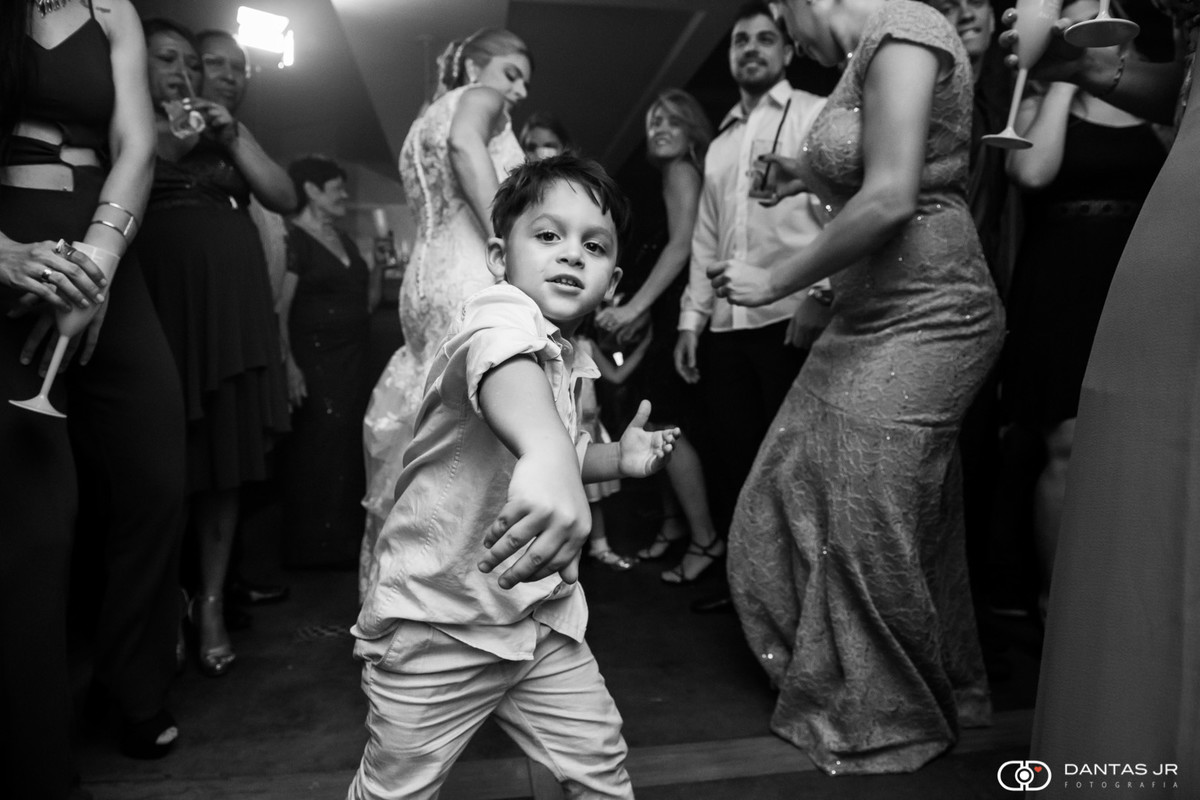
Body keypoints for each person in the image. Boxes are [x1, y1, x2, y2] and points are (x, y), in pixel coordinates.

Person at [709, 0, 1004, 773]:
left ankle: (890, 714)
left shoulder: (907, 29)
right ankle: (935, 680)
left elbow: (891, 196)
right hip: (867, 314)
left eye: (783, 21)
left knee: (869, 512)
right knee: (788, 481)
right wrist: (802, 174)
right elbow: (865, 170)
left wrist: (776, 278)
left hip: (933, 313)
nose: (792, 39)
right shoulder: (856, 59)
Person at [349, 154, 675, 799]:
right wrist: (549, 454)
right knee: (396, 790)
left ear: (612, 280)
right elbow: (512, 382)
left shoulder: (566, 354)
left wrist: (614, 459)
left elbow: (556, 451)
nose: (572, 253)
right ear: (500, 257)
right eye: (548, 235)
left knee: (600, 764)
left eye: (594, 246)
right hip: (439, 624)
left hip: (537, 622)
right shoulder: (494, 317)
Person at [1000, 2, 1199, 792]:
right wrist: (1075, 70)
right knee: (1101, 455)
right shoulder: (1083, 83)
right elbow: (1033, 171)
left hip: (1150, 238)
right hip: (1092, 261)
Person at [0, 0, 183, 793]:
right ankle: (34, 752)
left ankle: (130, 685)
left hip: (105, 246)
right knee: (34, 519)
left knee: (155, 480)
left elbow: (136, 144)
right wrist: (4, 258)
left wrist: (98, 266)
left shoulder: (112, 10)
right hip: (10, 246)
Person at [135, 19, 294, 678]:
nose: (192, 74)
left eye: (195, 63)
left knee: (223, 464)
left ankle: (210, 604)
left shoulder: (224, 128)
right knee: (162, 464)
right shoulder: (133, 122)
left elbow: (282, 195)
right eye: (175, 60)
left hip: (230, 317)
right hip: (162, 307)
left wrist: (232, 135)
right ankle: (161, 601)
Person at [1003, 0, 1166, 619]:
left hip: (1135, 282)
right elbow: (1033, 172)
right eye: (1064, 26)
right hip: (1062, 283)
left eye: (1085, 23)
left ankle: (1125, 597)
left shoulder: (1159, 101)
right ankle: (1055, 607)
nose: (1073, 33)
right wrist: (1064, 81)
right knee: (1067, 445)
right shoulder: (1040, 100)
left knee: (1140, 446)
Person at [361, 28, 530, 597]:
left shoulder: (421, 120)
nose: (518, 90)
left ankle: (404, 577)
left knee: (429, 406)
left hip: (422, 281)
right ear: (475, 67)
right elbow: (464, 146)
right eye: (511, 73)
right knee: (471, 427)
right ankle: (460, 588)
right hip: (469, 272)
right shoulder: (480, 99)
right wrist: (511, 242)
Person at [595, 88, 725, 585]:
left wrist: (635, 307)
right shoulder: (676, 172)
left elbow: (682, 247)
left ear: (693, 130)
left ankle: (704, 539)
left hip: (681, 310)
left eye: (673, 120)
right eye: (654, 122)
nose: (660, 129)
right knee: (656, 419)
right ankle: (674, 524)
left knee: (668, 422)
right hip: (669, 310)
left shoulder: (682, 171)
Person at [277, 156, 376, 568]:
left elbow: (362, 294)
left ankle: (345, 542)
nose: (345, 195)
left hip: (354, 358)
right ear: (312, 191)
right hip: (315, 360)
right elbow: (281, 310)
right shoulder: (294, 241)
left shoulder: (345, 239)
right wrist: (289, 366)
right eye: (337, 188)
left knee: (351, 444)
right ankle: (312, 547)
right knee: (319, 447)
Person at [575, 325, 653, 570]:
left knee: (593, 496)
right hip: (558, 430)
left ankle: (600, 547)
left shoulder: (585, 344)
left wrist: (646, 342)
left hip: (587, 429)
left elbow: (616, 376)